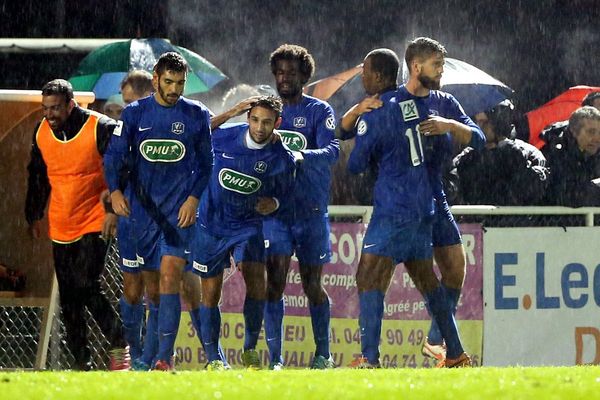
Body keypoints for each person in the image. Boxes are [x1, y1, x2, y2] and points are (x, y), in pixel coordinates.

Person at [344, 45, 476, 369]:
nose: (361, 76)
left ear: (376, 75)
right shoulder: (421, 108)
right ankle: (456, 352)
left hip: (394, 206)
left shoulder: (377, 110)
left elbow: (356, 164)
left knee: (368, 277)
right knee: (427, 281)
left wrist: (366, 134)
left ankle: (369, 358)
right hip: (423, 206)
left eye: (363, 71)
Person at [104, 52, 213, 371]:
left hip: (178, 214)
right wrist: (114, 192)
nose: (175, 89)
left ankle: (165, 358)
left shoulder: (196, 114)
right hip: (142, 214)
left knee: (169, 278)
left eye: (180, 83)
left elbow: (207, 163)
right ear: (155, 79)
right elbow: (113, 157)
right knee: (149, 289)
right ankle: (141, 356)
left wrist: (193, 199)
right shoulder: (135, 114)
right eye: (169, 82)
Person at [25, 79, 130, 371]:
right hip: (61, 222)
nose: (50, 114)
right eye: (46, 108)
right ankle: (80, 362)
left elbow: (122, 168)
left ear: (71, 105)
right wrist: (32, 215)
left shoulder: (100, 127)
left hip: (95, 218)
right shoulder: (41, 132)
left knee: (86, 285)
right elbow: (37, 175)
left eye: (56, 108)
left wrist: (112, 210)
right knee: (70, 297)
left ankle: (119, 342)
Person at [191, 96, 296, 371]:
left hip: (248, 225)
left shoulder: (280, 156)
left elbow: (287, 191)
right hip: (212, 224)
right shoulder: (224, 137)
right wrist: (234, 110)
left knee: (258, 283)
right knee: (211, 294)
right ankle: (214, 359)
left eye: (267, 122)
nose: (260, 128)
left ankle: (249, 349)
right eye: (255, 120)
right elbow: (198, 131)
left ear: (278, 124)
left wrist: (274, 203)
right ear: (248, 118)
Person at [259, 44, 339, 370]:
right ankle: (275, 359)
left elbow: (334, 151)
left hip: (310, 213)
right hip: (276, 215)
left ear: (304, 76)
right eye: (279, 72)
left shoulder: (320, 111)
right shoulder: (267, 113)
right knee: (275, 282)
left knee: (312, 285)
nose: (283, 78)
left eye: (290, 73)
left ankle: (323, 354)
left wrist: (302, 155)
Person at [111, 70, 153, 367]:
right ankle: (135, 356)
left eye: (130, 101)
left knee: (163, 287)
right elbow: (111, 164)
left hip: (167, 219)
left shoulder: (176, 122)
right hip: (132, 216)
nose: (126, 108)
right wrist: (112, 197)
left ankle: (159, 355)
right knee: (132, 287)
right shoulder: (123, 129)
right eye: (124, 102)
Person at [452, 99, 548, 205]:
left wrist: (511, 156)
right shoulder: (468, 156)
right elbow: (453, 188)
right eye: (477, 122)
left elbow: (533, 191)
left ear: (498, 123)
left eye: (483, 122)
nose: (478, 127)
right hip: (476, 219)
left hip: (516, 220)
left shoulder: (529, 153)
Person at [541, 106, 600, 207]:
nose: (597, 138)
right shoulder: (555, 154)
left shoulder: (595, 155)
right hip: (561, 221)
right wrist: (596, 187)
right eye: (591, 132)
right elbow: (563, 196)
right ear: (574, 131)